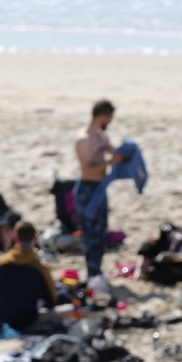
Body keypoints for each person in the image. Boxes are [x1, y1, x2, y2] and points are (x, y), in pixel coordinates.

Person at [73, 99, 126, 283]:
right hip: (87, 188)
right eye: (109, 117)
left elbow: (113, 151)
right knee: (91, 234)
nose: (110, 122)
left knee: (101, 231)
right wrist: (110, 162)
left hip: (100, 188)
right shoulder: (83, 139)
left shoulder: (101, 136)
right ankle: (92, 273)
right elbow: (86, 169)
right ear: (102, 116)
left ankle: (97, 272)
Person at [0, 221, 57, 331]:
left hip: (2, 317)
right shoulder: (40, 267)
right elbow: (51, 300)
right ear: (35, 239)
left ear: (15, 237)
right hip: (28, 320)